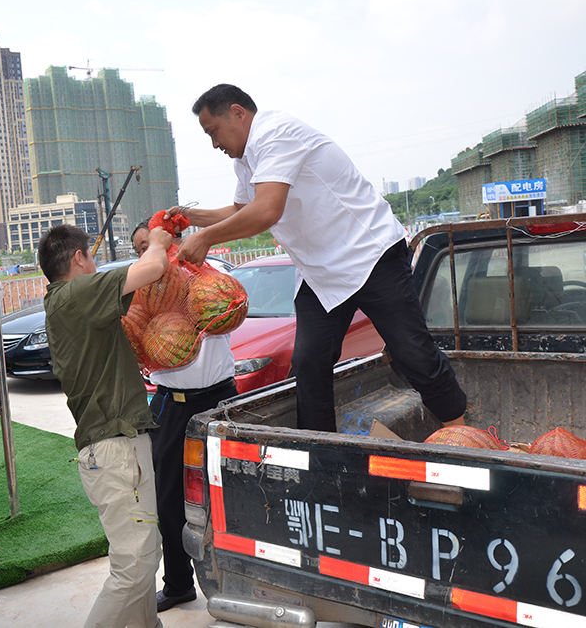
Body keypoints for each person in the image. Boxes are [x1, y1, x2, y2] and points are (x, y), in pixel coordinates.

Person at [171, 83, 467, 432]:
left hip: (368, 255)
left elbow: (265, 212)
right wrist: (191, 218)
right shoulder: (245, 160)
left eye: (213, 132)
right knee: (309, 362)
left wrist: (205, 238)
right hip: (319, 272)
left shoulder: (276, 133)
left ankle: (462, 433)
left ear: (238, 112)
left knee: (411, 352)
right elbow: (241, 209)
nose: (214, 144)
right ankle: (320, 448)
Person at [39, 223, 173, 628]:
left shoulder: (64, 302)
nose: (95, 265)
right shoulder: (76, 294)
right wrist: (159, 242)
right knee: (134, 568)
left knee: (144, 557)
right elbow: (152, 268)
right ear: (78, 258)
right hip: (116, 450)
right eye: (91, 258)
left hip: (117, 448)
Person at [131, 226, 237, 612]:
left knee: (231, 493)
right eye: (142, 248)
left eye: (156, 243)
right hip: (170, 405)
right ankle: (178, 584)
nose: (152, 252)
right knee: (170, 500)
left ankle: (239, 579)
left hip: (220, 401)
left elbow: (231, 308)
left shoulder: (203, 281)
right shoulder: (141, 299)